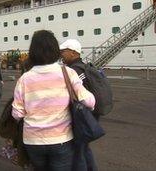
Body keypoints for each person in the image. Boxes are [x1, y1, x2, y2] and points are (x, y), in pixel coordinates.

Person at [12, 30, 95, 171]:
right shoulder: (67, 73)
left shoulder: (24, 79)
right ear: (55, 50)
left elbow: (17, 114)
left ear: (33, 52)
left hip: (32, 141)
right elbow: (90, 101)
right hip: (61, 140)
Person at [60, 39, 99, 171]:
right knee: (83, 146)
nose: (61, 54)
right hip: (89, 113)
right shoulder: (84, 66)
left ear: (72, 52)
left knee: (78, 150)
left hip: (81, 114)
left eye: (63, 51)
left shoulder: (74, 71)